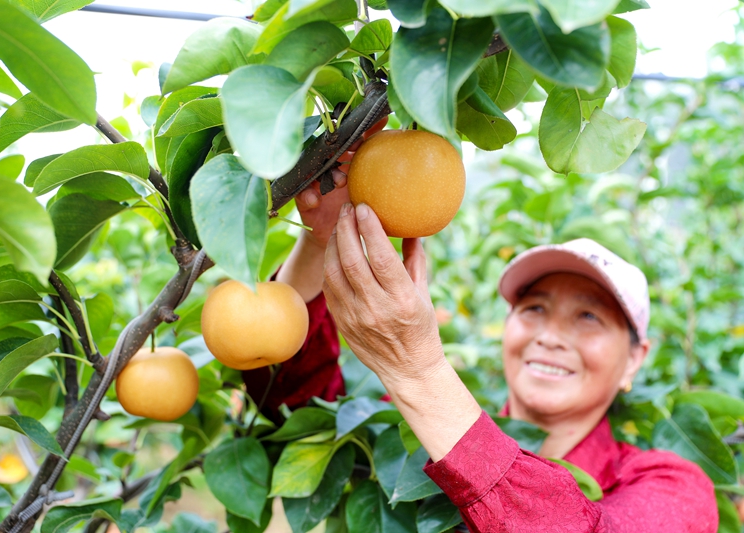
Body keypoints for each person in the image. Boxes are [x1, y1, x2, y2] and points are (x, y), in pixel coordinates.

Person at [242, 137, 718, 532]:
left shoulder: (672, 484)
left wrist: (419, 371)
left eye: (589, 318)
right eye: (534, 308)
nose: (550, 334)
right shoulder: (422, 438)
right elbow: (289, 393)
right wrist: (319, 238)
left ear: (636, 358)